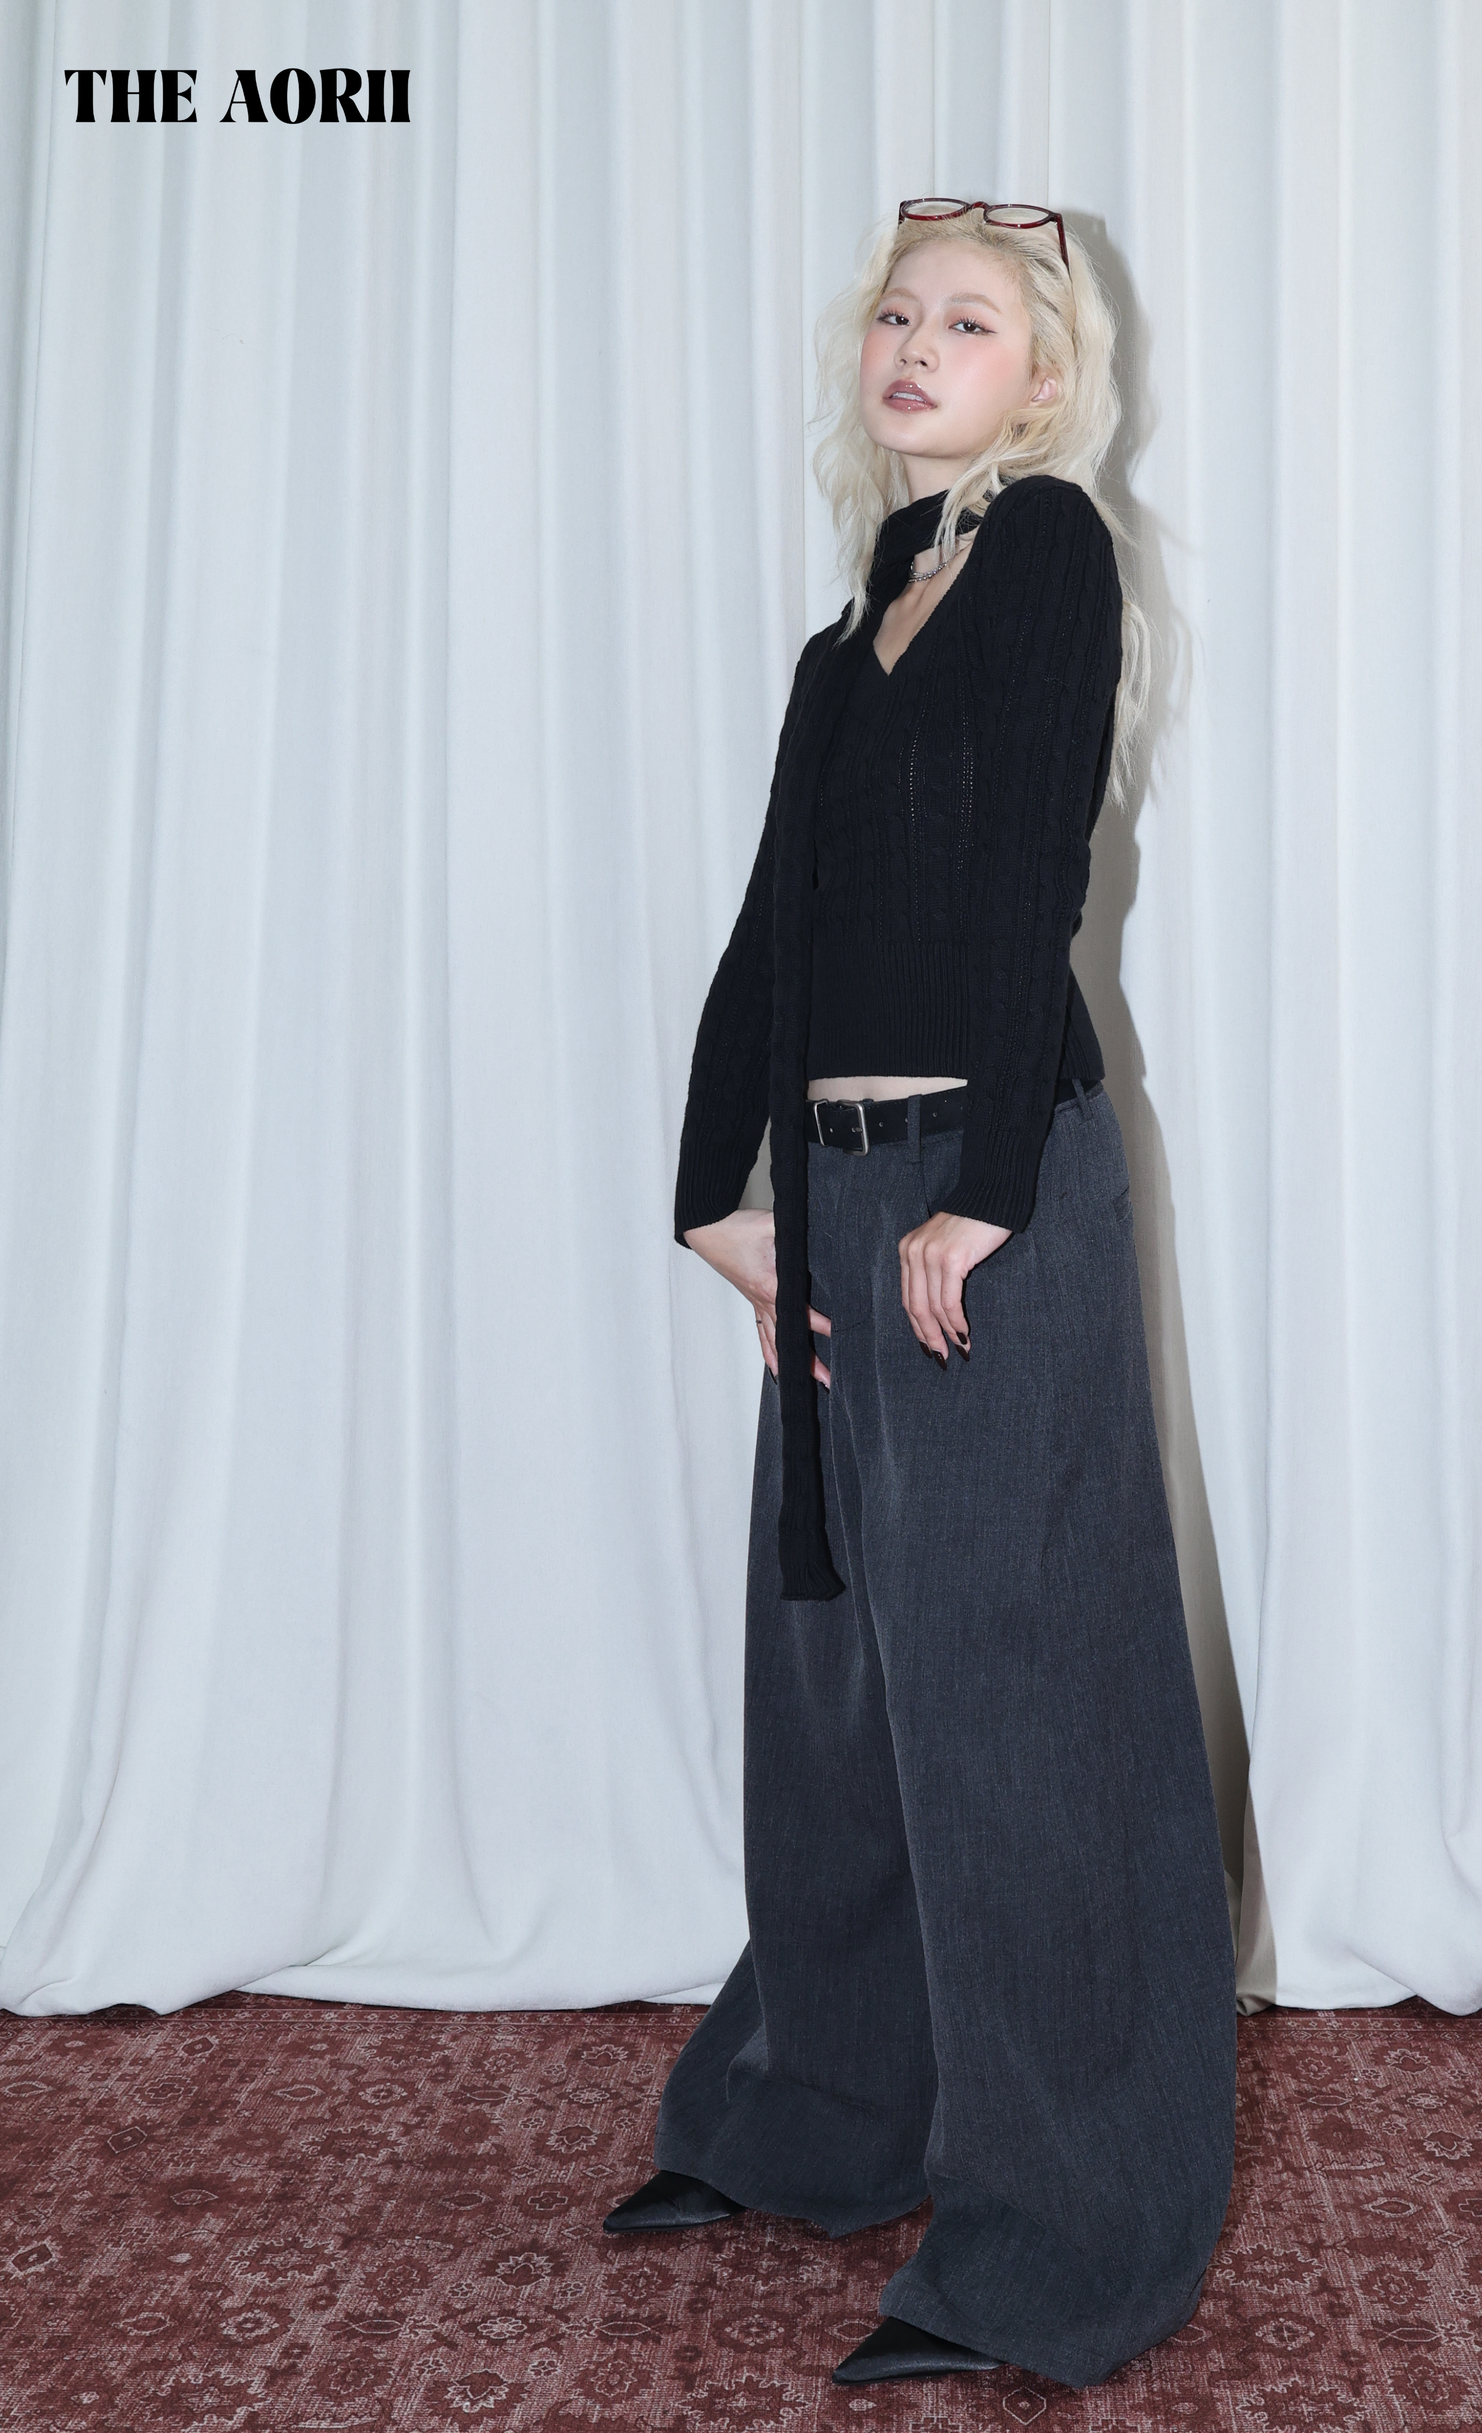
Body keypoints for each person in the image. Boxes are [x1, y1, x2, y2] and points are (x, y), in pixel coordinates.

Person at [602, 197, 1236, 2392]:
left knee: (1019, 1713)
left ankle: (1062, 2226)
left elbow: (1037, 863)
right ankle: (816, 2116)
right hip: (839, 1198)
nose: (915, 342)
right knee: (837, 1684)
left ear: (1041, 377)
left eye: (968, 319)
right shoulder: (844, 634)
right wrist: (713, 1193)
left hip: (986, 1194)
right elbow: (771, 923)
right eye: (896, 310)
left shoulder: (1045, 548)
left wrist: (978, 1198)